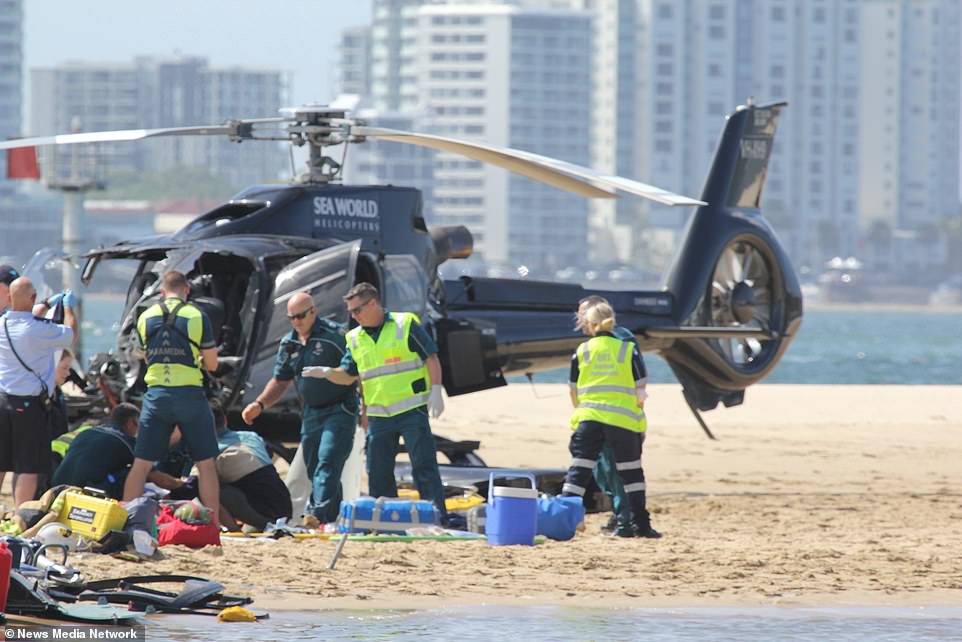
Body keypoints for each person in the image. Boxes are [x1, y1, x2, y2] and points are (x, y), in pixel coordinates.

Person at [302, 283, 448, 520]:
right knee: (378, 472)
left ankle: (437, 517)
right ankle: (386, 520)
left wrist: (436, 389)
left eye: (357, 310)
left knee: (424, 466)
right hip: (379, 416)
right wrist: (329, 373)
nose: (353, 316)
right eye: (350, 311)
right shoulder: (355, 338)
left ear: (373, 303)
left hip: (411, 410)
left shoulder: (405, 325)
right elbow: (349, 375)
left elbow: (430, 357)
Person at [241, 292, 357, 525]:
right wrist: (260, 404)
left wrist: (366, 408)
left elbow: (356, 370)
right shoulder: (290, 342)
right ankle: (332, 517)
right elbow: (280, 380)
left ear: (313, 311)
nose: (296, 322)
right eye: (291, 317)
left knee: (329, 458)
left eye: (301, 316)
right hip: (311, 412)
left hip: (339, 408)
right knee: (316, 466)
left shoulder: (335, 336)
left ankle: (316, 513)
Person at [122, 271, 220, 521]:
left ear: (163, 292)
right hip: (189, 396)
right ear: (187, 290)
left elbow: (142, 355)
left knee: (141, 464)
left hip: (157, 397)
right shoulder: (196, 315)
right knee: (206, 464)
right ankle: (213, 525)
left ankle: (126, 521)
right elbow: (212, 364)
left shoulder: (146, 317)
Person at [562, 301, 660, 538]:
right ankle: (639, 526)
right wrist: (636, 417)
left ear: (591, 322)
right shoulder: (626, 348)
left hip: (589, 418)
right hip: (623, 420)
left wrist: (581, 412)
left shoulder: (582, 350)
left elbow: (572, 389)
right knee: (631, 475)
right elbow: (640, 387)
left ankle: (564, 520)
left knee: (578, 472)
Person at [0, 277, 76, 506]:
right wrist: (69, 306)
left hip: (2, 401)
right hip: (28, 405)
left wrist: (43, 303)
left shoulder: (2, 324)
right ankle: (20, 516)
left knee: (1, 463)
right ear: (32, 298)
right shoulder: (39, 330)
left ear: (9, 298)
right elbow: (72, 333)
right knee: (28, 467)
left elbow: (28, 314)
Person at [51, 402, 181, 499]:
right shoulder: (125, 441)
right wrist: (181, 484)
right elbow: (158, 478)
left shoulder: (88, 431)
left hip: (56, 486)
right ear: (131, 423)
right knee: (135, 472)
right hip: (86, 492)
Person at [214, 400, 292, 531]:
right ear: (225, 420)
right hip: (285, 509)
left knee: (205, 486)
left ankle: (232, 529)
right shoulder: (250, 435)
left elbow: (192, 484)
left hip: (264, 514)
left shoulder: (211, 449)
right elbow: (269, 453)